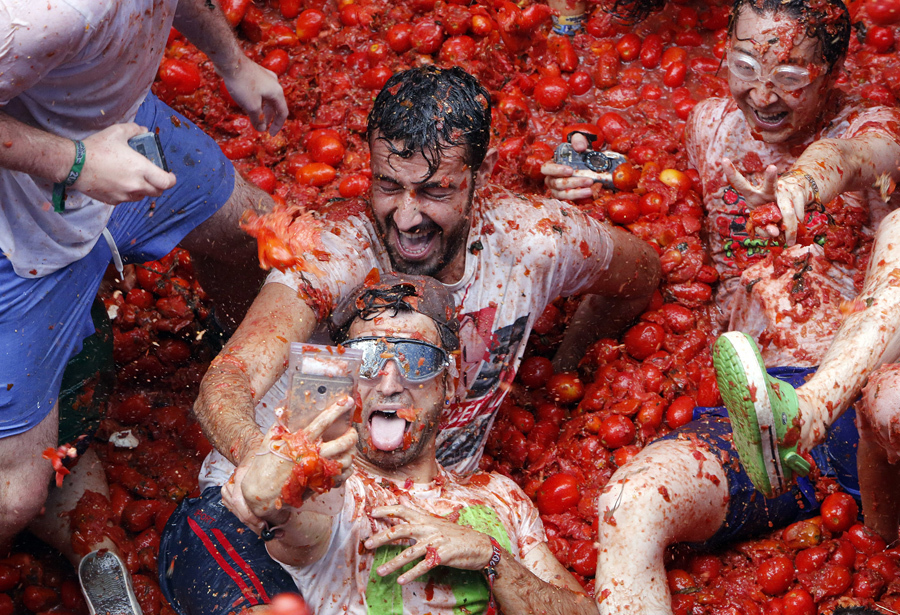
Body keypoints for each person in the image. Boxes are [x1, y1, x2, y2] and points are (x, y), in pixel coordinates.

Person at [543, 0, 900, 610]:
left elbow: (853, 160)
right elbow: (652, 186)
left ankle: (810, 410)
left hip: (871, 410)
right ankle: (790, 418)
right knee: (630, 500)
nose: (763, 93)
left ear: (834, 68)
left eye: (790, 74)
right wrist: (584, 178)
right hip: (756, 422)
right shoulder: (709, 126)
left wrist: (801, 185)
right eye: (744, 64)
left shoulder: (874, 127)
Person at [192, 65, 660, 487]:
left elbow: (642, 274)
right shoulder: (334, 254)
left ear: (485, 174)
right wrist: (266, 463)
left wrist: (567, 360)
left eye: (436, 190)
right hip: (301, 492)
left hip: (437, 503)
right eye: (388, 186)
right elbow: (228, 380)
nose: (407, 218)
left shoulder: (534, 241)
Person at [0, 0, 288, 610]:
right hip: (18, 229)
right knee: (15, 497)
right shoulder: (45, 15)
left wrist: (232, 63)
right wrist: (76, 163)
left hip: (116, 133)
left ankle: (249, 370)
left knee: (260, 235)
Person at [159, 274, 598, 615]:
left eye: (417, 359)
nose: (389, 383)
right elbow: (295, 514)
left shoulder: (501, 497)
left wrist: (491, 557)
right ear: (348, 378)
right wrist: (274, 483)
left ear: (449, 380)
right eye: (368, 359)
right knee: (205, 518)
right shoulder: (336, 486)